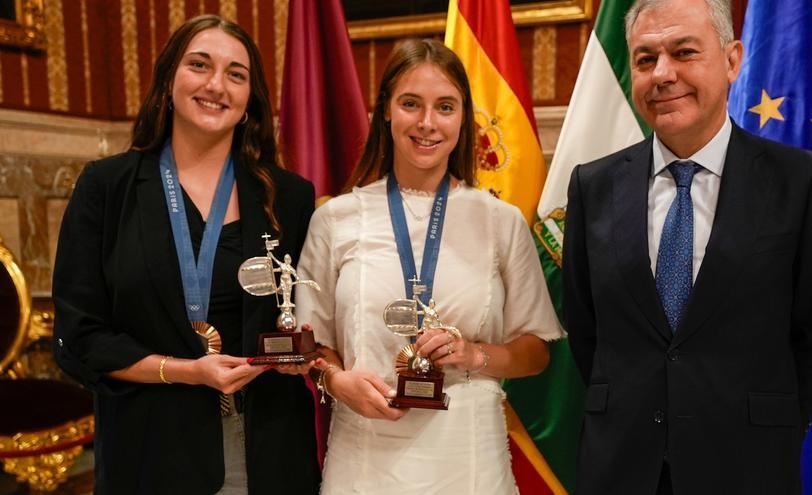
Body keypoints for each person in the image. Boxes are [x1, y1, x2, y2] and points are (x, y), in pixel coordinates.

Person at [562, 0, 812, 494]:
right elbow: (586, 328)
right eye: (645, 59)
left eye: (684, 52)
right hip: (620, 467)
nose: (663, 74)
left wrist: (762, 422)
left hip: (748, 466)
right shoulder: (593, 186)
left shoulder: (801, 182)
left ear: (733, 59)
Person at [52, 15, 319, 495]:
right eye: (200, 65)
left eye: (236, 74)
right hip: (149, 452)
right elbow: (80, 335)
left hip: (268, 454)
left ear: (249, 100)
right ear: (169, 78)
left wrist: (306, 354)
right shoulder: (106, 187)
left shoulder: (289, 197)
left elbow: (308, 317)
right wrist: (186, 372)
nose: (216, 85)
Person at [295, 38, 562, 494]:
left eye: (445, 107)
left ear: (463, 117)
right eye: (410, 104)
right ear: (385, 111)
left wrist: (475, 355)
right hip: (363, 457)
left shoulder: (501, 221)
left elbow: (536, 353)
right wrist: (336, 382)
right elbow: (309, 345)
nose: (426, 123)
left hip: (469, 458)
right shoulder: (334, 219)